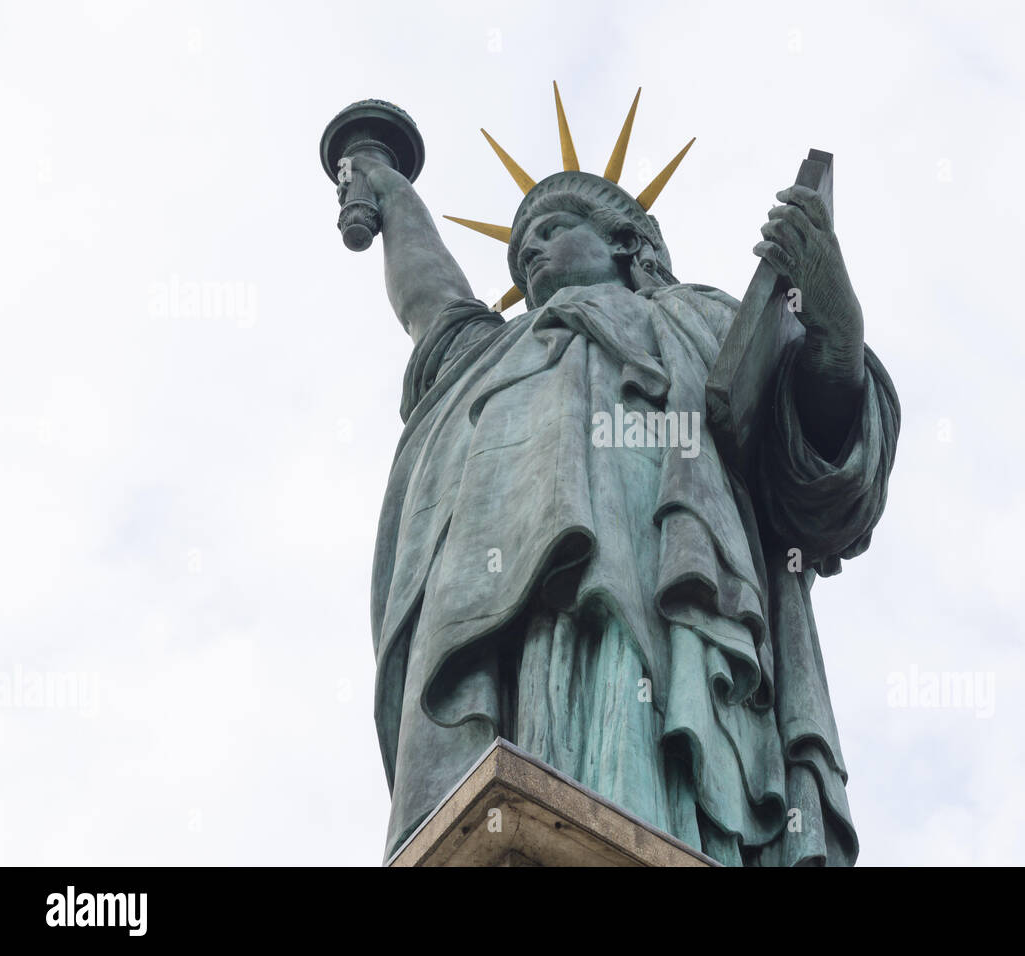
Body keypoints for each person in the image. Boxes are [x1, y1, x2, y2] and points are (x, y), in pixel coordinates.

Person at [349, 137, 899, 866]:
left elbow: (815, 458)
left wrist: (836, 330)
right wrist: (386, 188)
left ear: (626, 243)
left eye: (552, 231)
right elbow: (432, 299)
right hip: (497, 616)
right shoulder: (487, 354)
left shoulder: (697, 321)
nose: (531, 256)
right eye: (519, 253)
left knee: (631, 715)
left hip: (664, 588)